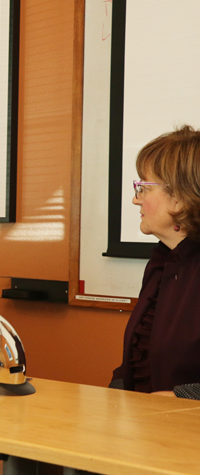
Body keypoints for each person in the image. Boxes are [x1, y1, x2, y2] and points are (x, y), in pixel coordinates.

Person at [110, 125, 200, 398]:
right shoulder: (163, 261)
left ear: (180, 198)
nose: (136, 199)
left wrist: (183, 396)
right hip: (147, 428)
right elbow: (140, 360)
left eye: (144, 187)